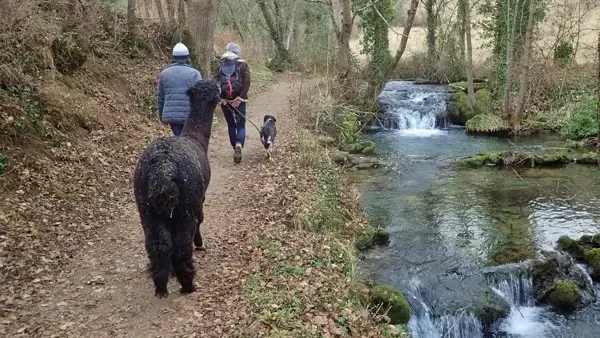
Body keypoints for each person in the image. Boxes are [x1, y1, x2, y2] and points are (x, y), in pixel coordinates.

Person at [214, 42, 251, 164]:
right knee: (241, 124)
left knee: (231, 124)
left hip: (225, 101)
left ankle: (234, 145)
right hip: (240, 101)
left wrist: (221, 98)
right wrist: (240, 98)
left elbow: (215, 82)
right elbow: (247, 82)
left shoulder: (220, 64)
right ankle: (239, 144)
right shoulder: (243, 64)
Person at [157, 43, 202, 136]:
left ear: (173, 57)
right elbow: (200, 97)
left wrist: (162, 116)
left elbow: (161, 97)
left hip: (172, 116)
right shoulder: (195, 74)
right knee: (188, 140)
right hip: (189, 115)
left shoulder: (164, 74)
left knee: (179, 138)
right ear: (187, 57)